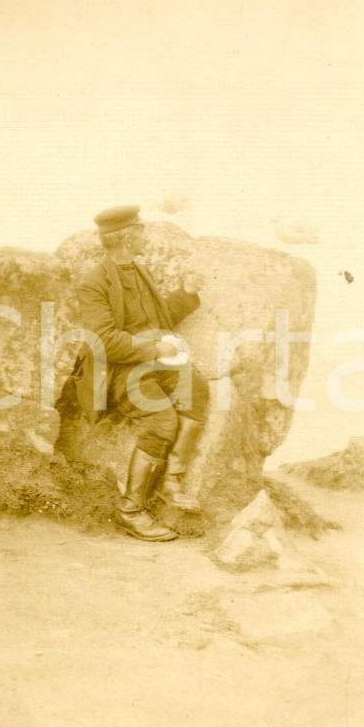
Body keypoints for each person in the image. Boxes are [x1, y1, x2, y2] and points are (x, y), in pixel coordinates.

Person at [73, 205, 209, 542]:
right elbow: (103, 342)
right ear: (127, 236)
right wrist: (153, 350)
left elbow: (156, 320)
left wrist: (187, 294)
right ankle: (130, 510)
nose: (145, 235)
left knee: (196, 388)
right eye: (141, 230)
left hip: (152, 362)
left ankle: (171, 480)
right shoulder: (94, 284)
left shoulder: (137, 269)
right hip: (117, 371)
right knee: (161, 419)